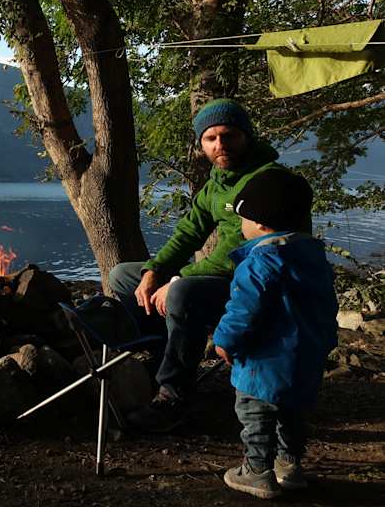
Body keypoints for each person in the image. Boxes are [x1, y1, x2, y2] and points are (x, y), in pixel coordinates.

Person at [109, 97, 309, 432]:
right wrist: (153, 272)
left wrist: (177, 279)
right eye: (210, 138)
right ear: (201, 144)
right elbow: (189, 231)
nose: (220, 145)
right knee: (123, 276)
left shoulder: (267, 181)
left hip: (263, 284)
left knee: (182, 292)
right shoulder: (217, 182)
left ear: (246, 135)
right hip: (231, 278)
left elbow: (239, 248)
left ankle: (174, 395)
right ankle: (164, 358)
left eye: (228, 135)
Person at [213, 168, 337, 499]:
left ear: (260, 222)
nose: (242, 226)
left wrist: (224, 341)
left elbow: (244, 310)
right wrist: (326, 342)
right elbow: (328, 307)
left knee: (256, 417)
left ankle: (256, 472)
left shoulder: (260, 261)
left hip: (263, 362)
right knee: (294, 414)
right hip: (306, 357)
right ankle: (289, 466)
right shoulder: (314, 257)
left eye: (243, 218)